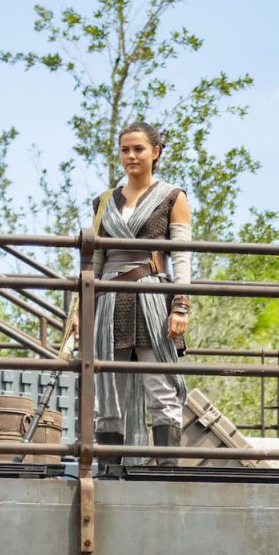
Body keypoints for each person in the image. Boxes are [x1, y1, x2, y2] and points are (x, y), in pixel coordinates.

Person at [90, 122, 192, 468]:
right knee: (108, 392)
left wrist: (181, 305)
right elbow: (95, 260)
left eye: (138, 149)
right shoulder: (104, 202)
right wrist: (82, 312)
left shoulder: (172, 198)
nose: (131, 156)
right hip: (110, 301)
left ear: (155, 153)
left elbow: (182, 256)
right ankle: (107, 472)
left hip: (152, 300)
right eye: (125, 150)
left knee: (161, 387)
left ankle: (167, 472)